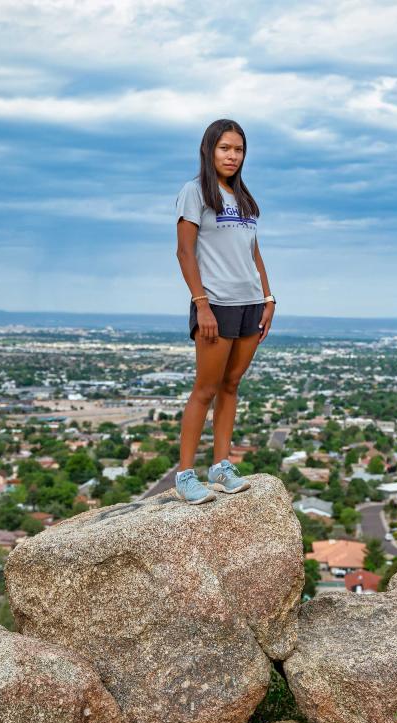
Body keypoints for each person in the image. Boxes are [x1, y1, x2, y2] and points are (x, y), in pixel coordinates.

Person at [173, 119, 275, 504]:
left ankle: (221, 466)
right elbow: (184, 252)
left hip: (250, 304)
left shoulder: (244, 199)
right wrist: (201, 304)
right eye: (225, 148)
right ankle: (185, 474)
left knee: (232, 386)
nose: (232, 156)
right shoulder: (195, 192)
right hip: (215, 303)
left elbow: (254, 253)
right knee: (206, 389)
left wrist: (269, 299)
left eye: (238, 150)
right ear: (209, 150)